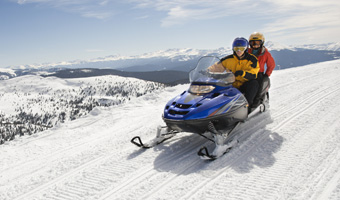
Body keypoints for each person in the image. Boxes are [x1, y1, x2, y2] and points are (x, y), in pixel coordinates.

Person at [208, 37, 260, 112]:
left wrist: (243, 73)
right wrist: (207, 71)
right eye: (236, 48)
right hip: (231, 84)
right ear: (233, 49)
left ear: (245, 49)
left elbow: (254, 73)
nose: (238, 51)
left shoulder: (252, 59)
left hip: (244, 84)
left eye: (241, 48)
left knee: (254, 83)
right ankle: (215, 109)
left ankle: (247, 106)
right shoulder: (228, 59)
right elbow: (216, 67)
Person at [248, 32, 275, 106]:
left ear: (262, 43)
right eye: (253, 43)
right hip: (248, 73)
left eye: (258, 43)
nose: (255, 45)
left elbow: (271, 64)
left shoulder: (265, 53)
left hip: (258, 73)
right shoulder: (247, 51)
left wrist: (267, 74)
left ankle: (256, 100)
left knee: (258, 86)